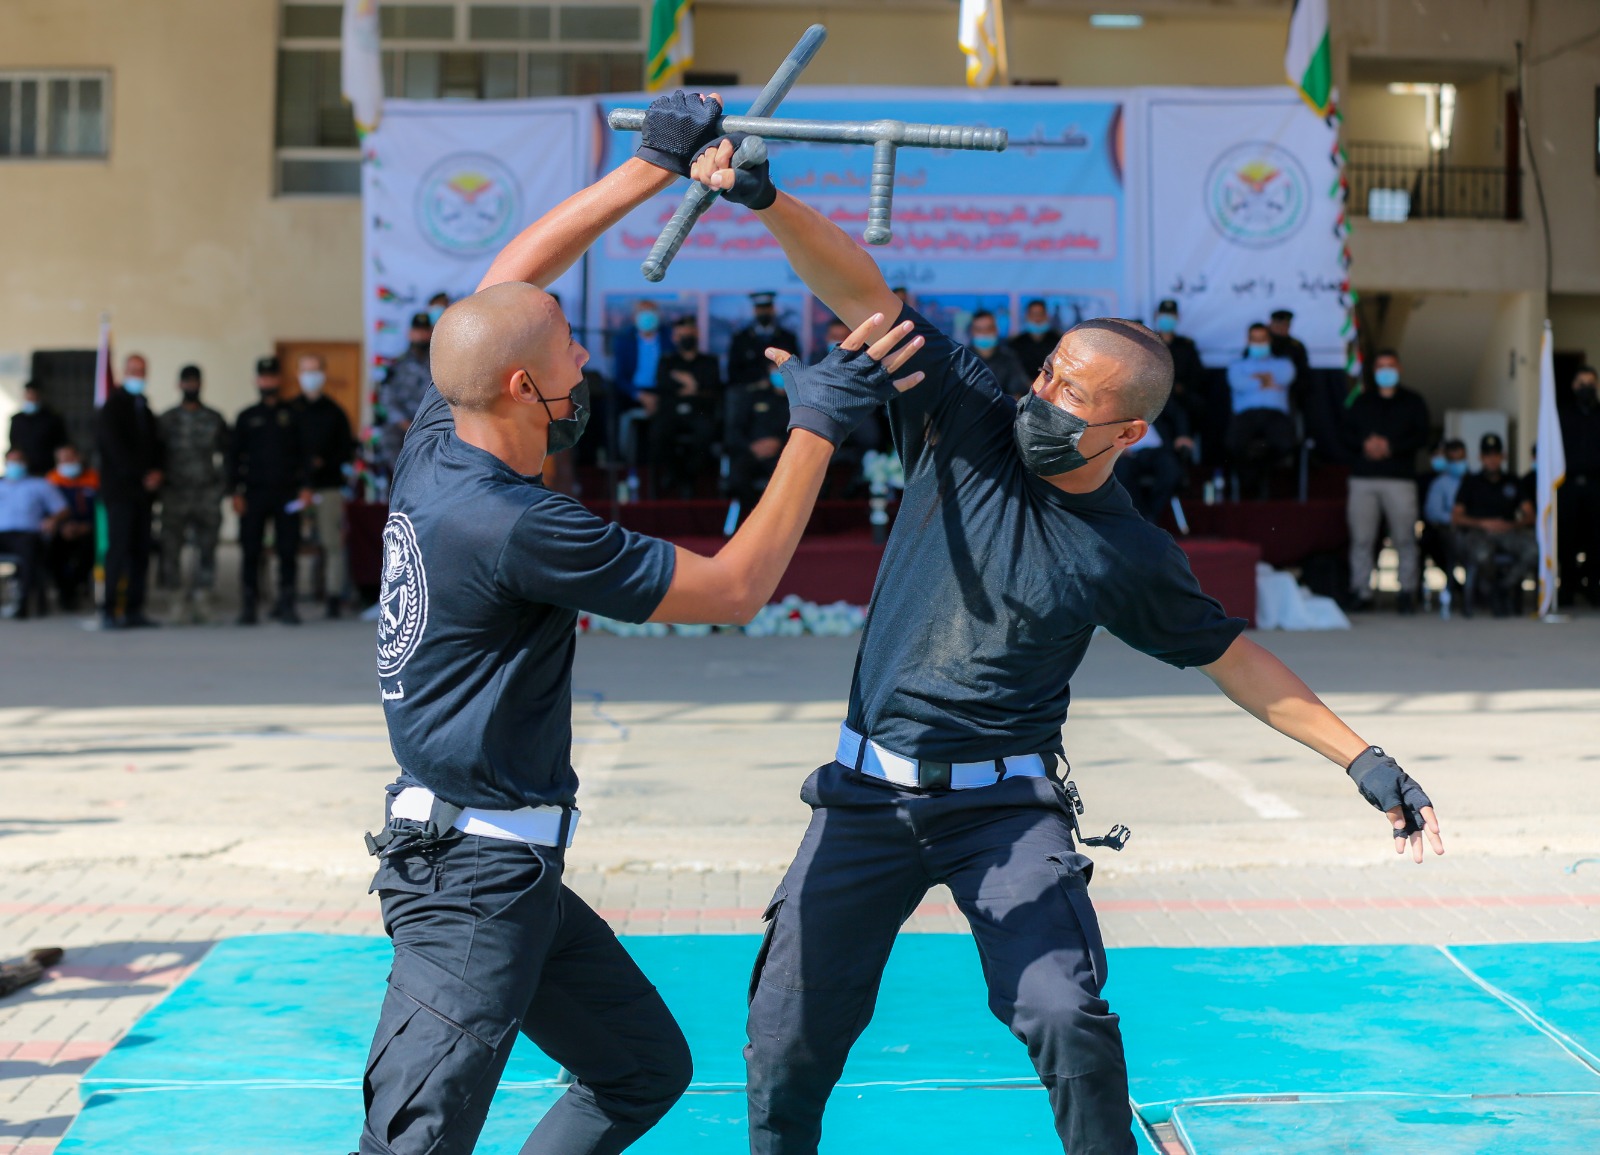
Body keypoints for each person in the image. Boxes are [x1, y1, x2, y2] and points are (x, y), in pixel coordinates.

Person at [692, 123, 1441, 1155]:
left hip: (1002, 812)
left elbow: (1233, 659)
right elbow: (864, 293)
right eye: (1045, 374)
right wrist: (768, 202)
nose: (1040, 398)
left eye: (1071, 397)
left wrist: (1362, 757)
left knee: (1064, 1016)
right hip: (863, 796)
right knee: (782, 1036)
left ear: (1128, 431)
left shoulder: (1127, 552)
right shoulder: (967, 417)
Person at [356, 88, 924, 1155]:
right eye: (568, 345)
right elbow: (733, 590)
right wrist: (818, 425)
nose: (583, 353)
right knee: (412, 1145)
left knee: (639, 1072)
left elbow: (508, 283)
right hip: (470, 883)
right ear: (527, 387)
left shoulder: (442, 438)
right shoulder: (517, 523)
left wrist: (652, 166)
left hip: (506, 870)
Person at [1341, 349, 1430, 613]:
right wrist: (1365, 444)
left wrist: (1391, 447)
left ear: (1399, 368)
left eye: (1390, 365)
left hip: (1399, 479)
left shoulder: (1413, 401)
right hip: (1363, 479)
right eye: (1380, 366)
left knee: (1404, 538)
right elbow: (1345, 433)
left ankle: (1407, 592)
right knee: (1361, 539)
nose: (1386, 371)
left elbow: (1422, 435)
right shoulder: (1361, 401)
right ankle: (1361, 591)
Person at [230, 356, 311, 626]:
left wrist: (306, 488)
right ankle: (249, 605)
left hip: (287, 494)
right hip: (253, 493)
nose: (268, 382)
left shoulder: (294, 415)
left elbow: (305, 455)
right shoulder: (246, 417)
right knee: (250, 549)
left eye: (272, 377)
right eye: (263, 377)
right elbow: (233, 458)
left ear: (279, 380)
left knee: (288, 549)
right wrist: (234, 493)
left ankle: (287, 603)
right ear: (257, 381)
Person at [96, 353, 164, 629]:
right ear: (124, 372)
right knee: (119, 551)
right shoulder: (112, 408)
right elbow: (115, 450)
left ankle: (135, 610)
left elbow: (156, 446)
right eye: (133, 370)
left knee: (141, 552)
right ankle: (110, 610)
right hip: (120, 492)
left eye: (142, 371)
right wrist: (142, 475)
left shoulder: (144, 408)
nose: (138, 375)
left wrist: (157, 472)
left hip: (143, 495)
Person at [157, 364, 230, 624]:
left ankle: (203, 598)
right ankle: (176, 600)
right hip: (174, 495)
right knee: (171, 548)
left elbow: (228, 453)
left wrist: (221, 486)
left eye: (195, 382)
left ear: (202, 384)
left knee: (207, 548)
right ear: (179, 385)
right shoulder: (166, 420)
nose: (191, 387)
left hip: (206, 495)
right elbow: (156, 456)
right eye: (186, 382)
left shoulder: (214, 418)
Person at [295, 353, 356, 618]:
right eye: (306, 370)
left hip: (328, 487)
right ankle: (288, 594)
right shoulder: (290, 411)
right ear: (298, 374)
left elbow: (346, 451)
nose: (311, 376)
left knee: (332, 544)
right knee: (287, 543)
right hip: (295, 489)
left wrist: (323, 463)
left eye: (316, 370)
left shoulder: (335, 412)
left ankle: (332, 596)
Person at [1452, 432, 1536, 618]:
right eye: (1488, 455)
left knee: (1533, 550)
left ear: (1502, 456)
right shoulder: (1471, 482)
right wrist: (1483, 523)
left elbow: (1530, 514)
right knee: (1482, 554)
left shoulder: (1513, 481)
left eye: (1496, 455)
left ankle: (1503, 587)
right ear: (1481, 457)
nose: (1492, 460)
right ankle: (1491, 590)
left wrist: (1511, 524)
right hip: (1478, 532)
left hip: (1508, 531)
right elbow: (1457, 517)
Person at [650, 314, 722, 497]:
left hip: (699, 410)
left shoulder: (709, 361)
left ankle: (688, 476)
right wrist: (695, 386)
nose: (687, 339)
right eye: (682, 335)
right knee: (658, 433)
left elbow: (713, 386)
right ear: (675, 338)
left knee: (706, 433)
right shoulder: (667, 360)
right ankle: (674, 474)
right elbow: (663, 385)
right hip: (672, 410)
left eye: (690, 334)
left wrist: (690, 384)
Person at [1225, 322, 1299, 498]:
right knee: (1233, 443)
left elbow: (1285, 377)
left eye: (1262, 339)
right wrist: (1266, 380)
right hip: (1246, 416)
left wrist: (1252, 379)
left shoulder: (1283, 363)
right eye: (1254, 339)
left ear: (1269, 340)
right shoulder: (1237, 365)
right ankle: (1252, 480)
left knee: (1285, 443)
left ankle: (1265, 474)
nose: (1258, 343)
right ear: (1248, 340)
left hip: (1275, 416)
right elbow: (1237, 383)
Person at [0, 448, 68, 618]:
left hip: (28, 534)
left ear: (26, 464)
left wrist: (52, 520)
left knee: (30, 552)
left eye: (19, 461)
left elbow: (62, 508)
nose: (15, 465)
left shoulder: (40, 485)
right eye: (12, 461)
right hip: (2, 534)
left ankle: (23, 604)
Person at [1112, 393, 1193, 524]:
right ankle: (1139, 516)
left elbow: (1178, 413)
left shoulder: (1153, 393)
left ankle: (1151, 517)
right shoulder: (1112, 397)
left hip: (1157, 450)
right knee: (1122, 471)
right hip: (1127, 451)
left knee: (1171, 469)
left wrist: (1183, 434)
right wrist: (1114, 445)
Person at [1557, 364, 1600, 607]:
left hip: (1597, 485)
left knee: (1597, 538)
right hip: (1569, 486)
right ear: (1574, 386)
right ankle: (1567, 588)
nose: (1586, 388)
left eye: (1591, 383)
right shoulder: (1562, 415)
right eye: (1581, 384)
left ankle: (1594, 586)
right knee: (1567, 539)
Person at [610, 299, 670, 471]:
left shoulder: (668, 338)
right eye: (642, 312)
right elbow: (619, 377)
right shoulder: (624, 339)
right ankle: (618, 460)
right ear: (634, 317)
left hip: (661, 392)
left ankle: (663, 466)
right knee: (611, 407)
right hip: (632, 392)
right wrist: (639, 395)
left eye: (651, 312)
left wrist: (657, 396)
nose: (647, 317)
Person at [727, 359, 791, 517]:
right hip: (751, 452)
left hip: (783, 455)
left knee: (789, 480)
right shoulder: (753, 396)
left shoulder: (800, 399)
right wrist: (751, 447)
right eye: (775, 368)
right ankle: (751, 518)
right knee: (737, 478)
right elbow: (735, 430)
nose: (779, 373)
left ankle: (778, 523)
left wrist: (779, 444)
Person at [378, 313, 435, 475]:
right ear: (410, 333)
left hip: (431, 425)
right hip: (402, 427)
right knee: (389, 437)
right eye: (417, 331)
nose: (421, 335)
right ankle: (401, 479)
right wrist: (405, 424)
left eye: (425, 331)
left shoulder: (439, 364)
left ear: (431, 332)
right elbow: (387, 398)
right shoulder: (397, 366)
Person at [46, 444, 98, 612]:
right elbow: (46, 510)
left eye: (71, 457)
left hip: (89, 529)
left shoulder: (94, 479)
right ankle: (65, 595)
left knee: (90, 551)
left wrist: (88, 526)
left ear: (79, 458)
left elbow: (101, 509)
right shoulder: (51, 480)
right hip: (62, 530)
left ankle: (79, 585)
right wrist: (62, 526)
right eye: (63, 459)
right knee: (54, 553)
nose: (67, 462)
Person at [1420, 438, 1468, 606]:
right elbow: (1432, 513)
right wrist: (1458, 519)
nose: (1457, 463)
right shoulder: (1438, 484)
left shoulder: (1473, 480)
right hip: (1444, 531)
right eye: (1453, 459)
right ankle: (1457, 587)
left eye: (1460, 459)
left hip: (1473, 530)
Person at [728, 291, 801, 391]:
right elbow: (733, 371)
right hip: (749, 392)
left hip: (780, 392)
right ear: (755, 310)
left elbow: (797, 368)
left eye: (767, 308)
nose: (763, 312)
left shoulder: (787, 338)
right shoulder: (741, 339)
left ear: (772, 309)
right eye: (760, 309)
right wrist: (756, 382)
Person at [8, 381, 69, 477]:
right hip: (22, 469)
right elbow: (13, 443)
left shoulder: (52, 418)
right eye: (29, 394)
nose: (31, 397)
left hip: (46, 469)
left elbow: (61, 443)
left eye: (34, 394)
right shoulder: (17, 419)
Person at [967, 309, 1029, 397]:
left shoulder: (1009, 357)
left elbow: (1018, 391)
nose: (984, 333)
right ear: (972, 331)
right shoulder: (963, 359)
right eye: (979, 329)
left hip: (1005, 408)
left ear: (996, 330)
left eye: (989, 329)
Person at [1010, 298, 1061, 380]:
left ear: (1046, 316)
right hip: (1023, 390)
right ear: (1027, 316)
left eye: (1040, 314)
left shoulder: (1059, 342)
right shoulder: (1016, 344)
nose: (1037, 318)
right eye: (1033, 314)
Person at [1268, 308, 1311, 394]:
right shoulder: (1262, 342)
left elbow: (1303, 372)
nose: (1282, 328)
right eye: (1278, 324)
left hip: (1291, 391)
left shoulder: (1296, 346)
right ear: (1271, 324)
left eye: (1285, 325)